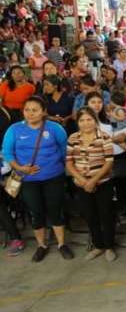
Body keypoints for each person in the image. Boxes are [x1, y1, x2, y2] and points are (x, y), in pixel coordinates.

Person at [2, 96, 71, 262]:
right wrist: (20, 168)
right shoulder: (14, 129)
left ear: (43, 112)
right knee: (36, 212)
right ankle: (42, 245)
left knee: (56, 210)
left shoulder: (55, 128)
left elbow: (64, 151)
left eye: (35, 110)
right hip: (28, 180)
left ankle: (62, 244)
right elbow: (7, 152)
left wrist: (59, 167)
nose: (30, 113)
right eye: (27, 110)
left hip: (53, 177)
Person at [66, 107, 116, 262]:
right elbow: (69, 162)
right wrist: (82, 180)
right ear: (77, 122)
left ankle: (109, 247)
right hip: (81, 184)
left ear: (95, 120)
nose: (86, 123)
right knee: (90, 215)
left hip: (102, 183)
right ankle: (98, 246)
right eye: (82, 120)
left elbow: (109, 162)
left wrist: (93, 181)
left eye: (89, 119)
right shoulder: (73, 138)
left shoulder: (104, 137)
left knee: (106, 215)